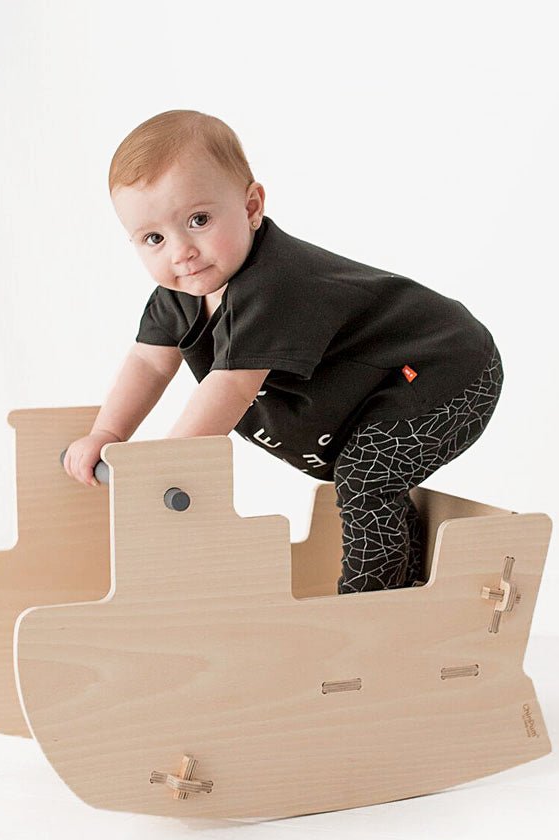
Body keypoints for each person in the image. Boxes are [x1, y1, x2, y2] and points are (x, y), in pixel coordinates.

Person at [63, 109, 503, 594]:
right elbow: (149, 361)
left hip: (446, 369)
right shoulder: (180, 293)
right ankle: (403, 584)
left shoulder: (272, 285)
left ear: (252, 207)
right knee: (368, 475)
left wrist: (163, 466)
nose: (181, 250)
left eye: (199, 220)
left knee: (366, 472)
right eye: (154, 238)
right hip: (391, 378)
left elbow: (229, 386)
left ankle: (368, 607)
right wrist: (109, 430)